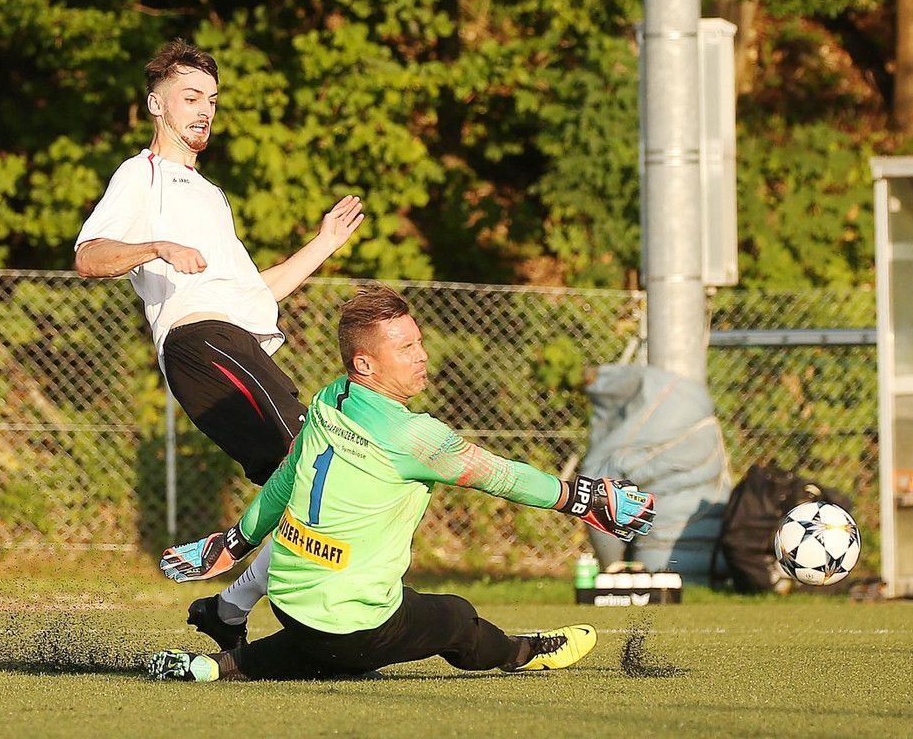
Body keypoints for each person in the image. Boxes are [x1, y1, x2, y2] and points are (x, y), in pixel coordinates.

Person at [149, 284, 656, 681]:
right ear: (364, 363)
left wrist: (235, 542)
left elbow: (284, 481)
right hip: (349, 623)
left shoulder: (329, 400)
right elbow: (502, 476)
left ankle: (217, 664)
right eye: (406, 347)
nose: (422, 356)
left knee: (330, 644)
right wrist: (583, 498)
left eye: (419, 343)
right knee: (454, 618)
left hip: (289, 602)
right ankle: (525, 652)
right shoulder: (414, 436)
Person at [74, 39, 364, 648]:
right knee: (319, 461)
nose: (204, 110)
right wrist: (156, 246)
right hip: (201, 342)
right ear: (157, 105)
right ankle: (233, 557)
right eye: (190, 97)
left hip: (232, 341)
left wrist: (324, 243)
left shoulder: (211, 195)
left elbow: (255, 294)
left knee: (313, 485)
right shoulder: (142, 174)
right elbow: (90, 256)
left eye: (211, 99)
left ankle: (230, 609)